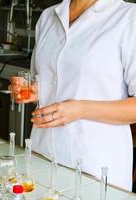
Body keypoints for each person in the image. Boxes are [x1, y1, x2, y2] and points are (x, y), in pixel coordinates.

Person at [10, 0, 136, 191]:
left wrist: (81, 109)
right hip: (41, 156)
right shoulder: (48, 17)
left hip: (95, 168)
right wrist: (35, 91)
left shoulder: (128, 18)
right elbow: (55, 80)